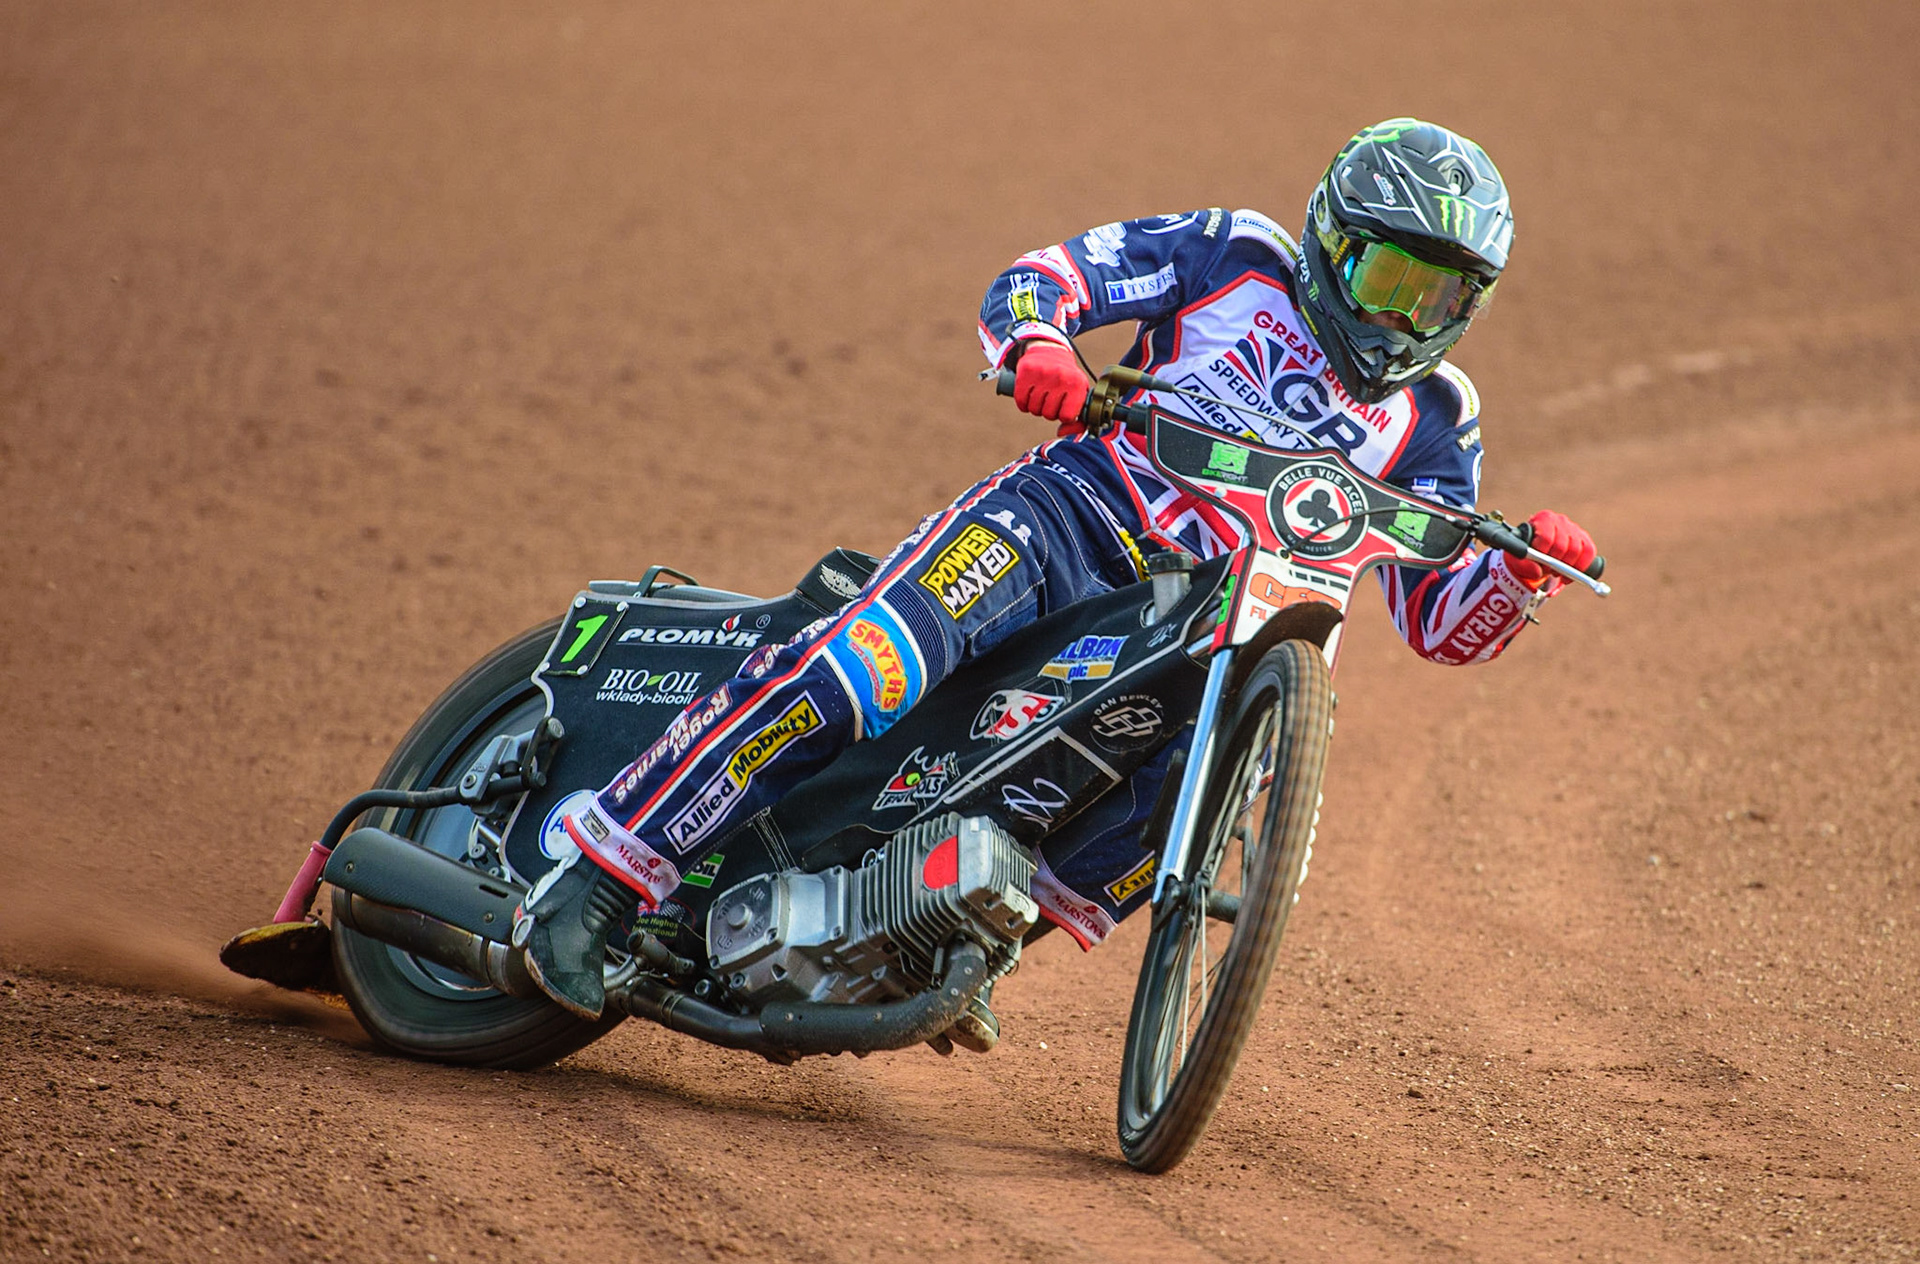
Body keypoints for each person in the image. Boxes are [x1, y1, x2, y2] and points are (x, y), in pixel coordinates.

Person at [515, 118, 1598, 1019]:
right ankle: (599, 880)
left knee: (1185, 796)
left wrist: (1522, 577)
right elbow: (1044, 279)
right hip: (1071, 520)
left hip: (1208, 629)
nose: (1409, 318)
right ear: (1331, 239)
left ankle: (949, 934)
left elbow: (1437, 618)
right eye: (1394, 278)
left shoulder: (1440, 420)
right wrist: (1038, 346)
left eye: (1444, 298)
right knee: (867, 668)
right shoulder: (1233, 255)